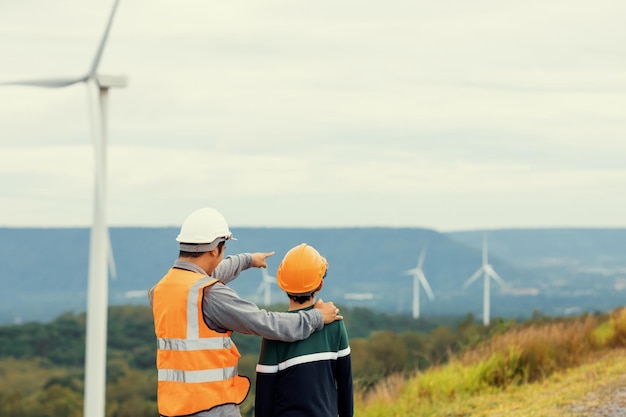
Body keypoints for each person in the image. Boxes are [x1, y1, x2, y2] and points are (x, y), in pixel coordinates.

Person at [147, 208, 342, 417]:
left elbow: (204, 275)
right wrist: (316, 317)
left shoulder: (161, 290)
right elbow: (264, 323)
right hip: (212, 407)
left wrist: (248, 260)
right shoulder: (211, 294)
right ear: (215, 250)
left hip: (172, 409)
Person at [255, 243, 353, 417]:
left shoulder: (274, 332)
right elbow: (345, 385)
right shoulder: (335, 324)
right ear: (320, 284)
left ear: (283, 285)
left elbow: (264, 396)